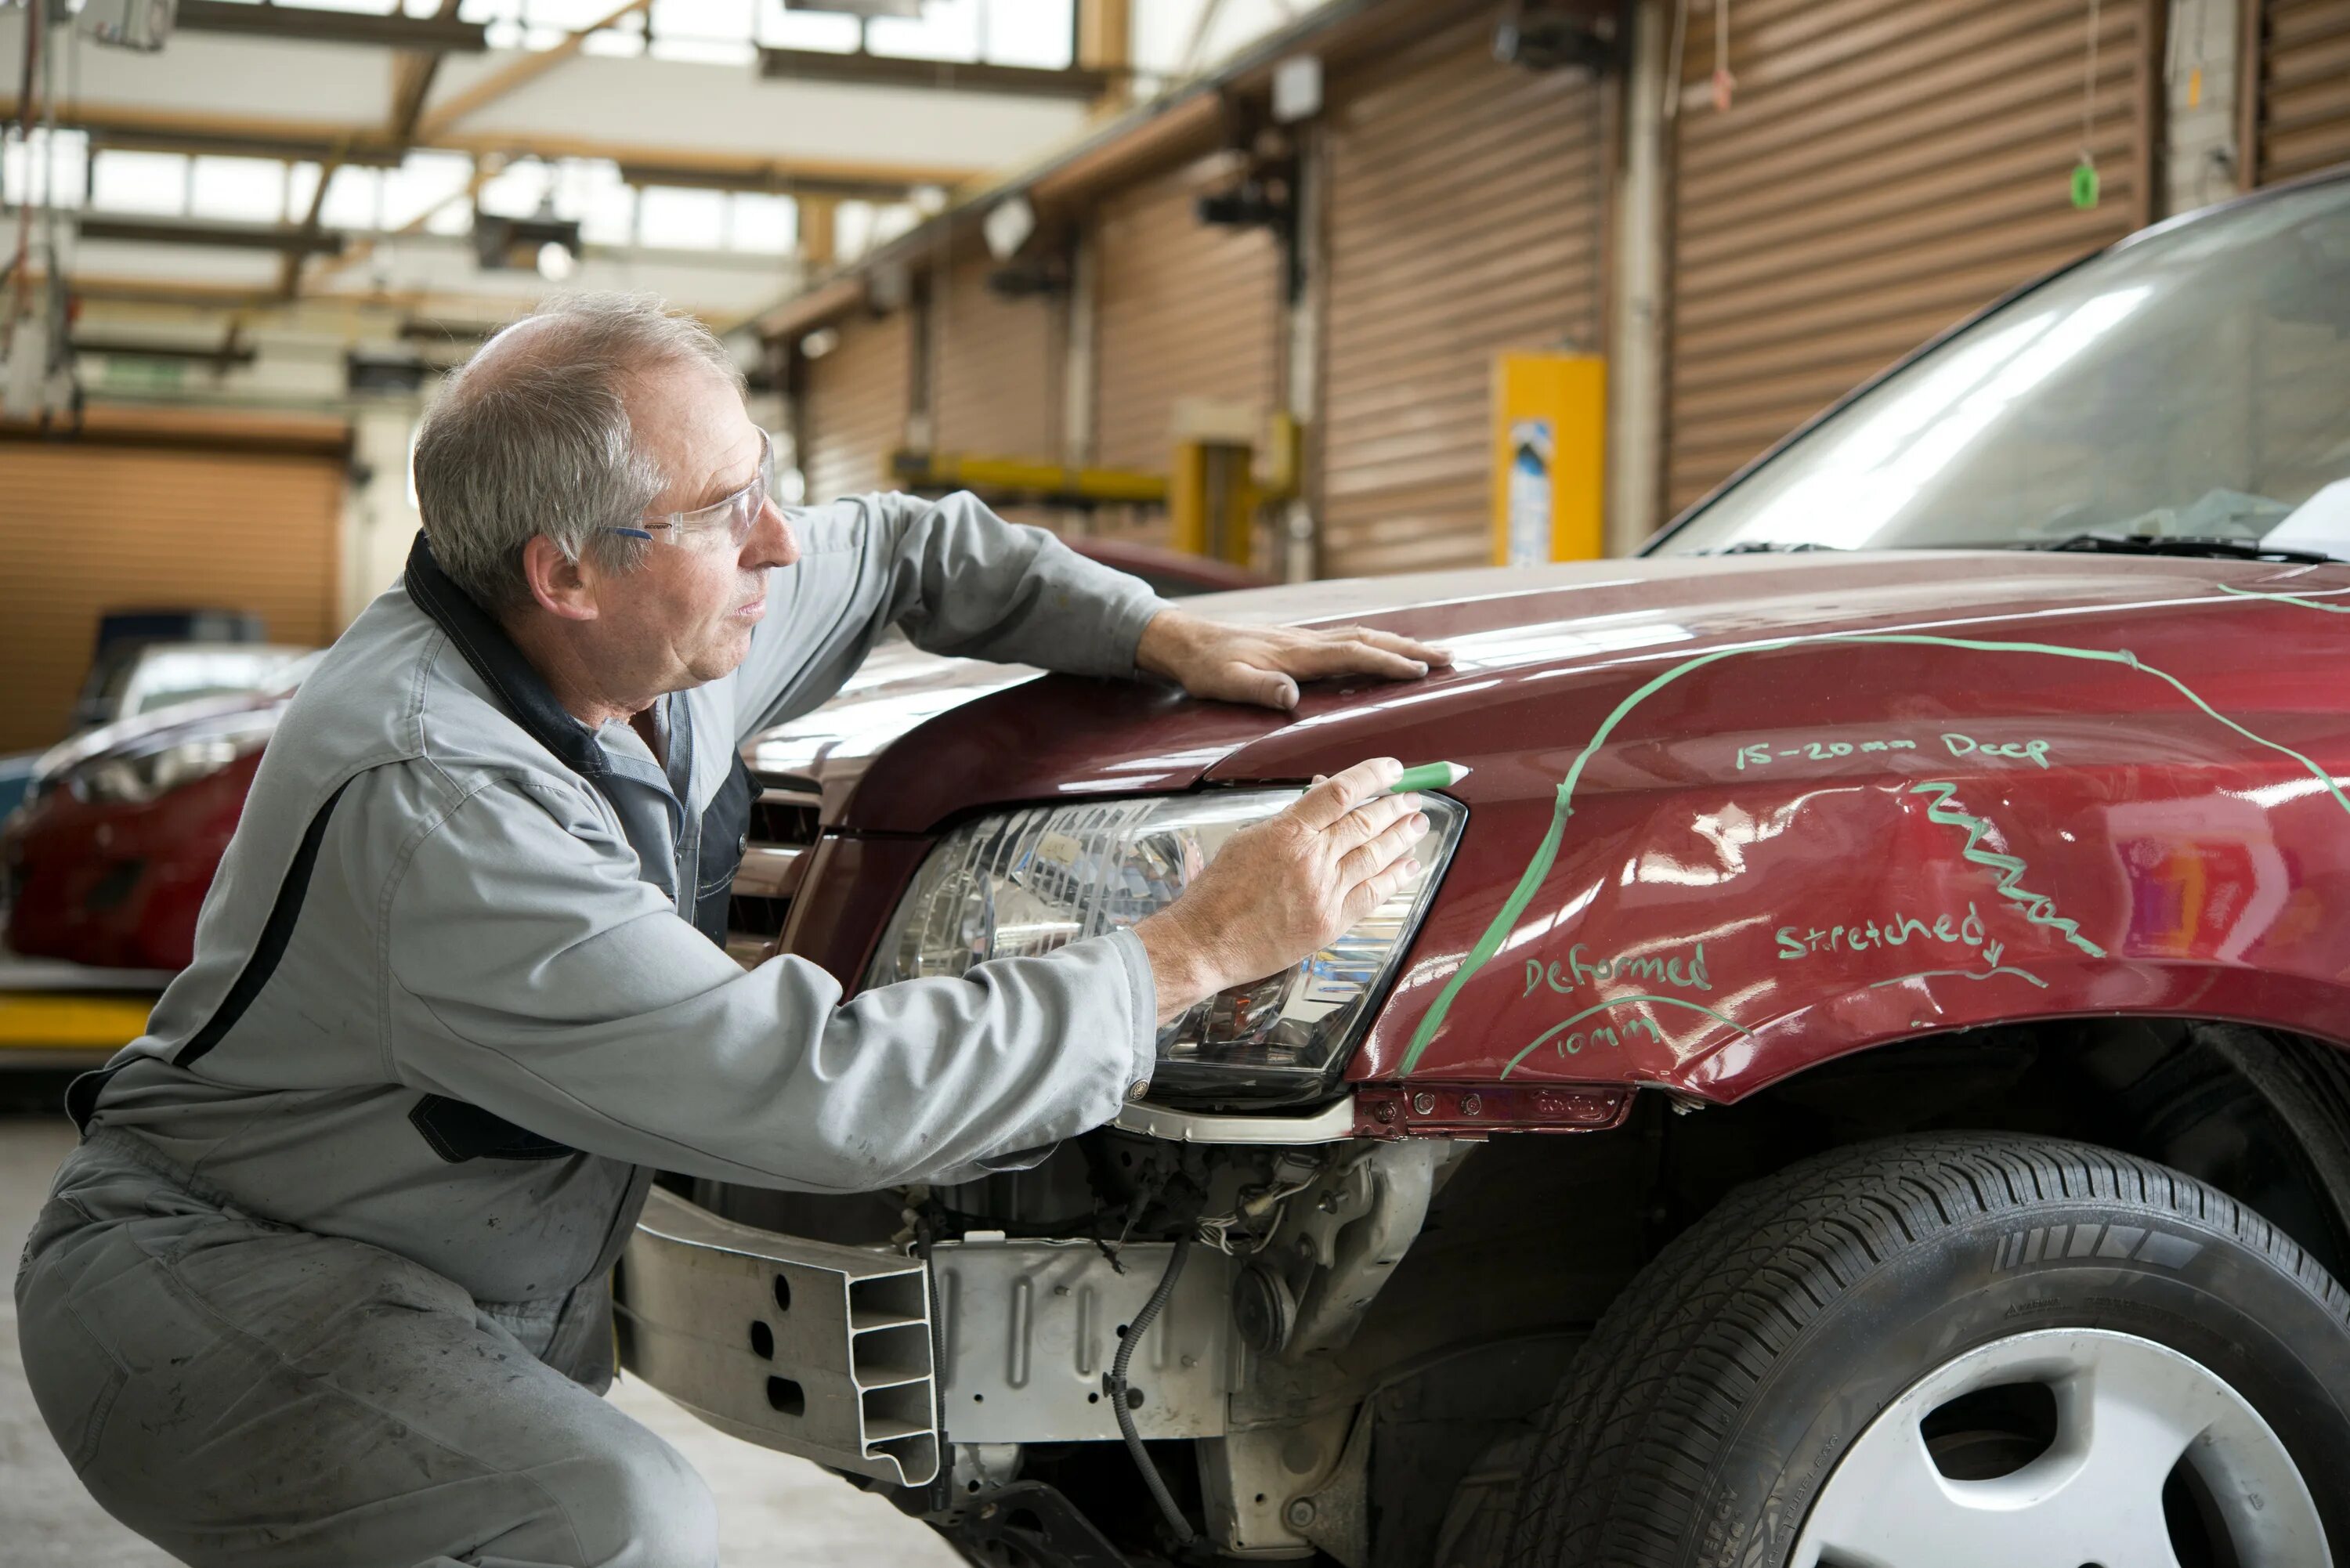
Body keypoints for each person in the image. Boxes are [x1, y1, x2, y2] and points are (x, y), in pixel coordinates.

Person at [13, 294, 1448, 1567]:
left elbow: (897, 546)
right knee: (604, 1515)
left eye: (769, 483)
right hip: (217, 1289)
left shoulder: (650, 623)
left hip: (435, 1280)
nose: (774, 540)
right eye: (723, 510)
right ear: (564, 569)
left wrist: (1149, 632)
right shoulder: (441, 806)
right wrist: (1188, 951)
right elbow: (809, 1089)